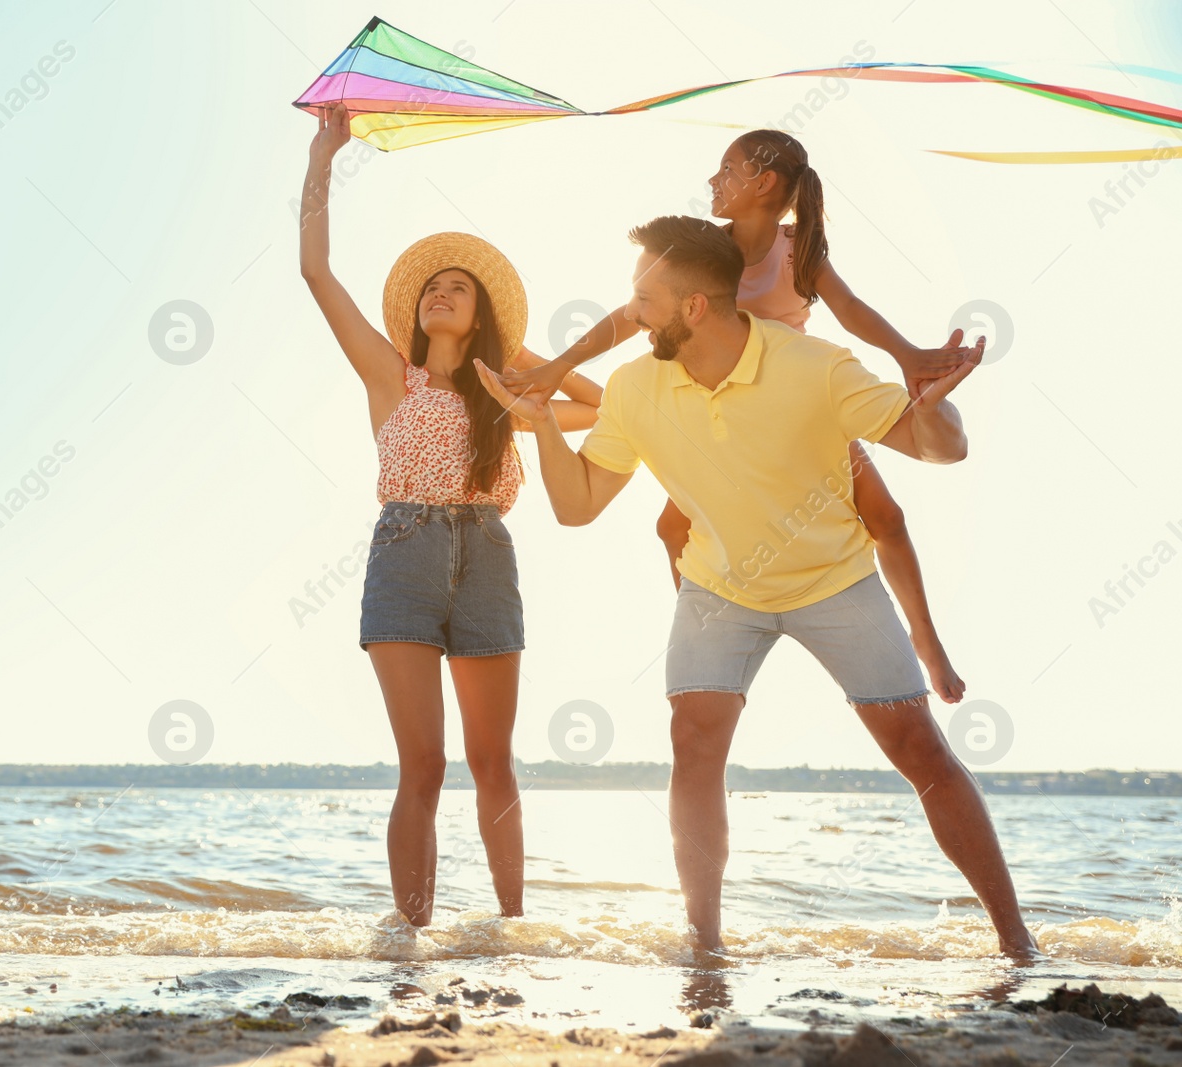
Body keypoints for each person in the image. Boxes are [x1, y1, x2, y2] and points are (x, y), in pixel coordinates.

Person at [474, 215, 1039, 959]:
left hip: (832, 579)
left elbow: (943, 447)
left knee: (918, 747)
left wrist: (935, 412)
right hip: (719, 589)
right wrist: (542, 423)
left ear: (694, 307)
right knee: (693, 740)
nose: (630, 312)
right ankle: (703, 942)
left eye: (645, 297)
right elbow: (577, 506)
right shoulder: (635, 388)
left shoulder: (815, 366)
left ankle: (1016, 938)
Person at [505, 130, 970, 702]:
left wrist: (910, 357)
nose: (712, 181)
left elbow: (850, 310)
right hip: (718, 416)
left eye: (727, 170)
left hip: (793, 412)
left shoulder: (797, 250)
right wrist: (560, 364)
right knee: (672, 526)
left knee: (886, 517)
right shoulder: (705, 253)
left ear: (764, 183)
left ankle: (924, 640)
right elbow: (631, 315)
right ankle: (714, 635)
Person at [298, 103, 602, 925]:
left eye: (458, 289)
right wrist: (324, 156)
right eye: (433, 287)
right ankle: (412, 933)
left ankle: (512, 926)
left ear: (481, 315)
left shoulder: (506, 397)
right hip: (403, 549)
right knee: (424, 763)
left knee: (493, 760)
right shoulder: (390, 376)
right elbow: (317, 273)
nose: (441, 293)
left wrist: (519, 359)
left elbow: (599, 405)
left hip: (487, 556)